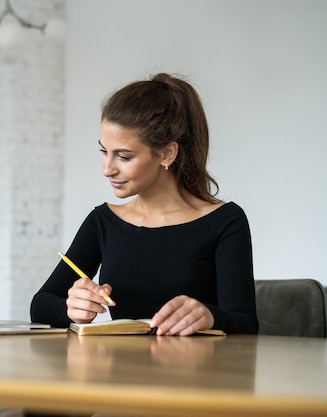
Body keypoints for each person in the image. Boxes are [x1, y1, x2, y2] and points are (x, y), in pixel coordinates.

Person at [30, 73, 258, 336]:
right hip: (122, 373)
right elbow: (41, 305)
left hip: (198, 374)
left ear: (166, 153)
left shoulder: (225, 221)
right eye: (104, 151)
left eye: (123, 156)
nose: (107, 169)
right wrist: (71, 307)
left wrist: (209, 316)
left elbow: (246, 325)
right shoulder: (103, 222)